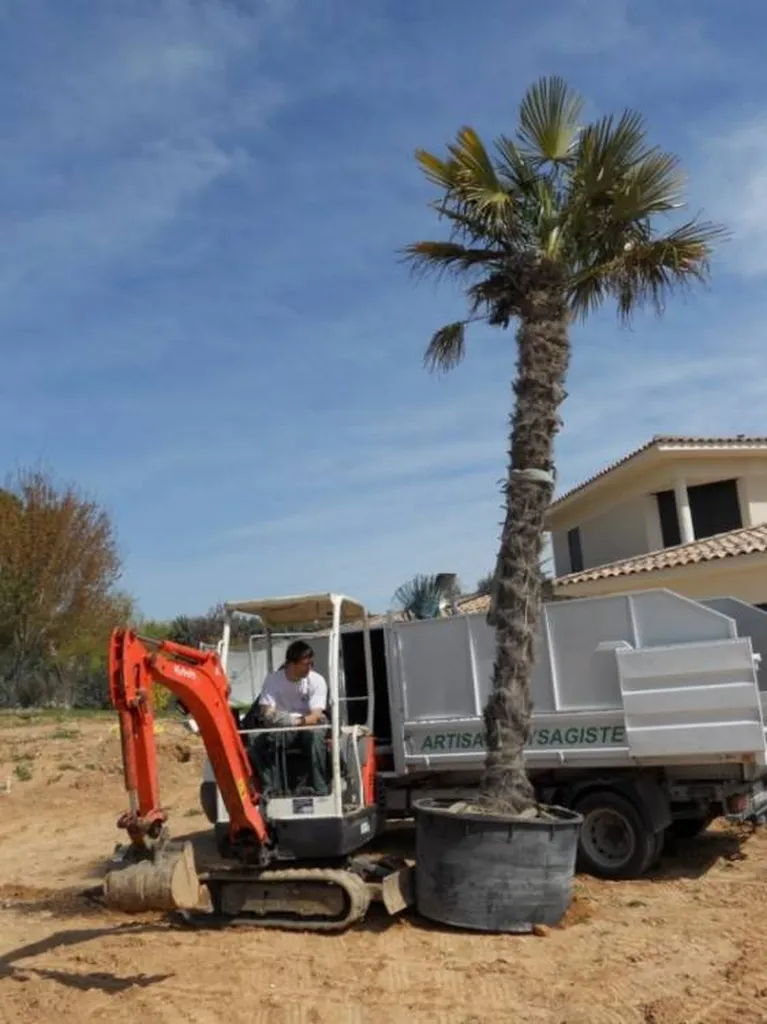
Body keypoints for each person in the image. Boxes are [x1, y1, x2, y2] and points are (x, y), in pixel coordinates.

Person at [244, 639, 330, 796]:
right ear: (291, 663)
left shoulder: (317, 680)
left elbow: (316, 715)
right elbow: (266, 711)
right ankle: (270, 789)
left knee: (316, 735)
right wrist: (280, 719)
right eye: (306, 664)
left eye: (312, 664)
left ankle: (321, 788)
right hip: (281, 728)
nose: (310, 668)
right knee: (254, 738)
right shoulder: (273, 680)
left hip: (307, 727)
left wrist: (296, 722)